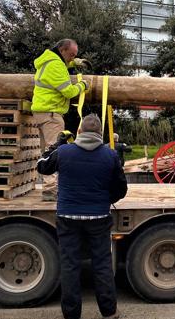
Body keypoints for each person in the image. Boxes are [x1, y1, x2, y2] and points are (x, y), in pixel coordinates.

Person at [37, 114, 126, 319]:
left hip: (68, 217)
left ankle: (71, 314)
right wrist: (105, 200)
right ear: (100, 134)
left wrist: (54, 146)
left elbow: (42, 166)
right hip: (99, 217)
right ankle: (109, 312)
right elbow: (121, 189)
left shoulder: (64, 152)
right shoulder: (110, 155)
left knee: (70, 265)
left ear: (78, 132)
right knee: (102, 264)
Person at [32, 38, 90, 201]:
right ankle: (51, 190)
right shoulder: (55, 65)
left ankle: (49, 188)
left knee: (47, 151)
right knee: (55, 151)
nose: (72, 58)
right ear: (62, 50)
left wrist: (76, 62)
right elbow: (69, 92)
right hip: (51, 112)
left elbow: (63, 66)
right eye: (71, 54)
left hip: (43, 110)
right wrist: (83, 85)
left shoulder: (49, 60)